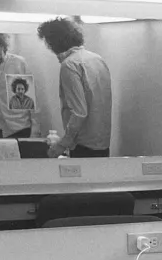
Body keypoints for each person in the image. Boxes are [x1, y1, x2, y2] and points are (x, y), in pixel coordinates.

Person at [36, 18, 113, 158]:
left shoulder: (69, 65)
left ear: (53, 43)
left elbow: (79, 112)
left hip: (83, 145)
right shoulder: (97, 59)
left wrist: (62, 144)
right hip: (103, 142)